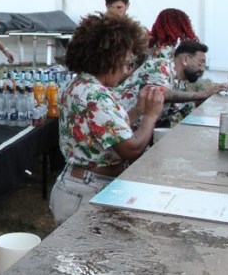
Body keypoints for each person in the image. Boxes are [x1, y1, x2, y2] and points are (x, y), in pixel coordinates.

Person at [49, 13, 165, 225]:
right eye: (126, 62)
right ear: (109, 58)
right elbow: (131, 149)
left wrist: (138, 110)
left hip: (78, 185)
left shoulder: (79, 84)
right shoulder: (96, 95)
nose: (127, 70)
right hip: (87, 190)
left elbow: (107, 131)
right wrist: (151, 116)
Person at [115, 40, 228, 127]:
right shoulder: (159, 66)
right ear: (185, 60)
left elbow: (192, 116)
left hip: (135, 136)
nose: (202, 69)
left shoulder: (182, 86)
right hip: (115, 128)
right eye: (201, 63)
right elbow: (164, 94)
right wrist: (204, 94)